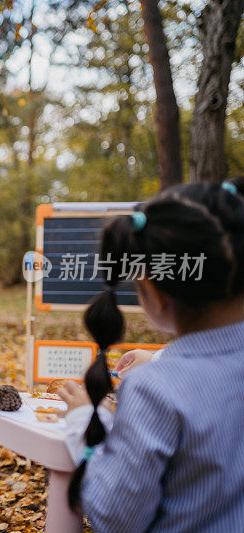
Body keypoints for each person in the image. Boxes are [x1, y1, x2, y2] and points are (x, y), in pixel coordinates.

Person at [57, 180, 244, 531]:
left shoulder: (154, 389)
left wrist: (84, 421)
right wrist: (159, 360)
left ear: (154, 292)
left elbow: (116, 516)